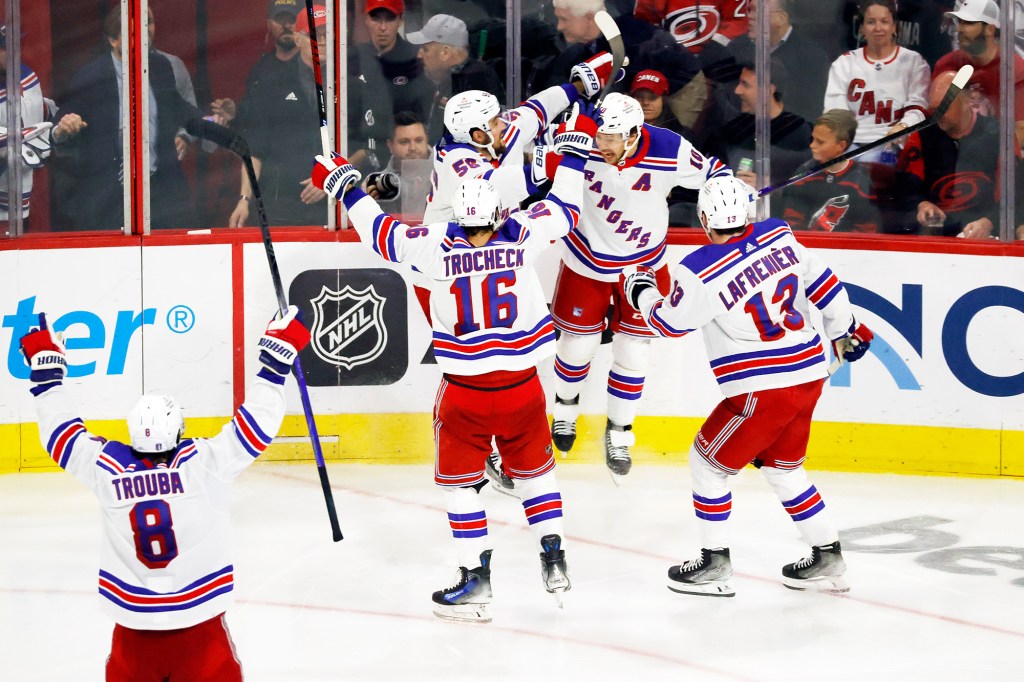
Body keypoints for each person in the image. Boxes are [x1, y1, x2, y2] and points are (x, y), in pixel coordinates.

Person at [309, 106, 597, 622]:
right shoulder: (521, 233)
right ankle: (554, 557)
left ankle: (475, 577)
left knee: (460, 485)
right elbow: (565, 209)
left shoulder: (433, 247)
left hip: (465, 393)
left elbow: (379, 233)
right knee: (534, 475)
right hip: (525, 388)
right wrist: (573, 155)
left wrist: (345, 186)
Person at [18, 306, 311, 679]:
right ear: (177, 430)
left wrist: (47, 372)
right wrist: (274, 362)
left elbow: (60, 435)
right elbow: (255, 426)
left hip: (132, 634)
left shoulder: (107, 467)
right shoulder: (203, 463)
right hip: (200, 630)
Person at [621, 175, 874, 596]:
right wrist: (843, 330)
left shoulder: (700, 268)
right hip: (809, 374)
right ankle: (827, 553)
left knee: (707, 465)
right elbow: (827, 286)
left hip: (761, 390)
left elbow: (668, 323)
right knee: (784, 467)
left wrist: (642, 292)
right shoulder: (780, 234)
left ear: (704, 218)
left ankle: (714, 564)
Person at [547, 92, 731, 479]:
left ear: (633, 133)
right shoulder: (580, 137)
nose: (603, 145)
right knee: (575, 346)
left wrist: (728, 198)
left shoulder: (668, 148)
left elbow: (715, 172)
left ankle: (619, 431)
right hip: (585, 259)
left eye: (613, 138)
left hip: (644, 264)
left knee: (635, 352)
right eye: (601, 136)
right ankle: (565, 410)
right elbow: (538, 170)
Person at [51, 7, 199, 230]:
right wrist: (61, 128)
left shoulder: (160, 67)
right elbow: (66, 116)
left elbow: (182, 111)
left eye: (148, 22)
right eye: (135, 28)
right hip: (109, 197)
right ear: (113, 39)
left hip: (161, 193)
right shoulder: (92, 76)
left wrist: (215, 122)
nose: (145, 31)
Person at [227, 0, 327, 227]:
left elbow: (362, 142)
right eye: (314, 35)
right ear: (298, 38)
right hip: (283, 205)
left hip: (334, 205)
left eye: (326, 35)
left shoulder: (348, 83)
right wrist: (244, 199)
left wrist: (331, 175)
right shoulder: (271, 84)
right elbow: (255, 149)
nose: (321, 42)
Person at [545, 0, 709, 132]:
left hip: (683, 87)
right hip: (644, 86)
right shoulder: (587, 46)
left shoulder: (631, 40)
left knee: (661, 139)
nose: (559, 26)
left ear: (589, 18)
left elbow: (623, 94)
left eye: (565, 19)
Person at [900, 70, 1023, 238]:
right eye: (934, 109)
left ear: (966, 101)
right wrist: (921, 204)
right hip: (935, 234)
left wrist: (990, 221)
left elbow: (1015, 192)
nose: (938, 116)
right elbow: (905, 188)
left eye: (945, 108)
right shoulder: (921, 136)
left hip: (986, 232)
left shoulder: (1000, 136)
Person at [824, 0, 931, 163]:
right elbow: (835, 111)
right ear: (861, 29)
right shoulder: (844, 64)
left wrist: (903, 127)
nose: (878, 28)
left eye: (884, 21)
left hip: (893, 144)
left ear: (894, 27)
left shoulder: (914, 62)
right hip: (850, 146)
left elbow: (919, 107)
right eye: (871, 22)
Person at [778, 109, 907, 233]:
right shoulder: (803, 175)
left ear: (841, 146)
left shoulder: (861, 180)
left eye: (820, 142)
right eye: (813, 139)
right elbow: (792, 222)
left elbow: (867, 229)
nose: (812, 145)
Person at [705, 59, 812, 190]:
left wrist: (771, 187)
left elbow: (806, 184)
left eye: (745, 85)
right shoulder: (734, 128)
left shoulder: (797, 131)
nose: (737, 91)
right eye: (739, 83)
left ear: (769, 90)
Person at [934, 0, 1024, 149]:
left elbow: (1020, 132)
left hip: (995, 160)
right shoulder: (945, 66)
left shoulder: (1016, 70)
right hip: (952, 155)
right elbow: (936, 121)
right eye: (960, 22)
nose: (960, 29)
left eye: (968, 23)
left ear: (989, 29)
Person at [724, 0, 830, 125]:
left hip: (787, 133)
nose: (750, 16)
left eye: (757, 12)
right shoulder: (736, 47)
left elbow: (811, 108)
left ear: (781, 18)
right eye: (749, 10)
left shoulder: (811, 55)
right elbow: (725, 96)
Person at [401, 14, 503, 142]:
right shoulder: (446, 77)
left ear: (445, 53)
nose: (419, 55)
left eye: (425, 49)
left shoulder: (474, 80)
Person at [0, 25, 52, 226]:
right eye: (5, 48)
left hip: (23, 194)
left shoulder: (26, 75)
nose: (13, 53)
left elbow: (40, 120)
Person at [633, 0, 748, 53]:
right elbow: (645, 23)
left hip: (718, 63)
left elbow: (737, 21)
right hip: (672, 63)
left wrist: (713, 51)